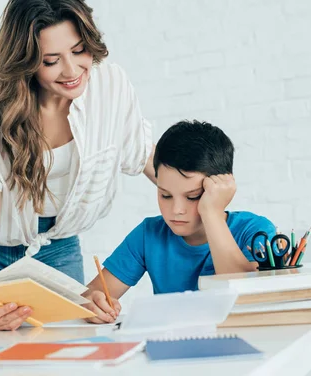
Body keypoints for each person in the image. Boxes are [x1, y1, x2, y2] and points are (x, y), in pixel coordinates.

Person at [0, 0, 155, 332]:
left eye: (79, 50)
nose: (72, 71)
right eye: (51, 61)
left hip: (56, 243)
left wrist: (203, 191)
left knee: (66, 353)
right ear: (26, 63)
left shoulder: (110, 87)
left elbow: (148, 157)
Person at [82, 120, 275, 323]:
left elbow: (244, 300)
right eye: (165, 195)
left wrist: (212, 213)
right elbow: (90, 295)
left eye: (192, 197)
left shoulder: (254, 231)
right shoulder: (149, 234)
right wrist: (92, 301)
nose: (176, 210)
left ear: (219, 189)